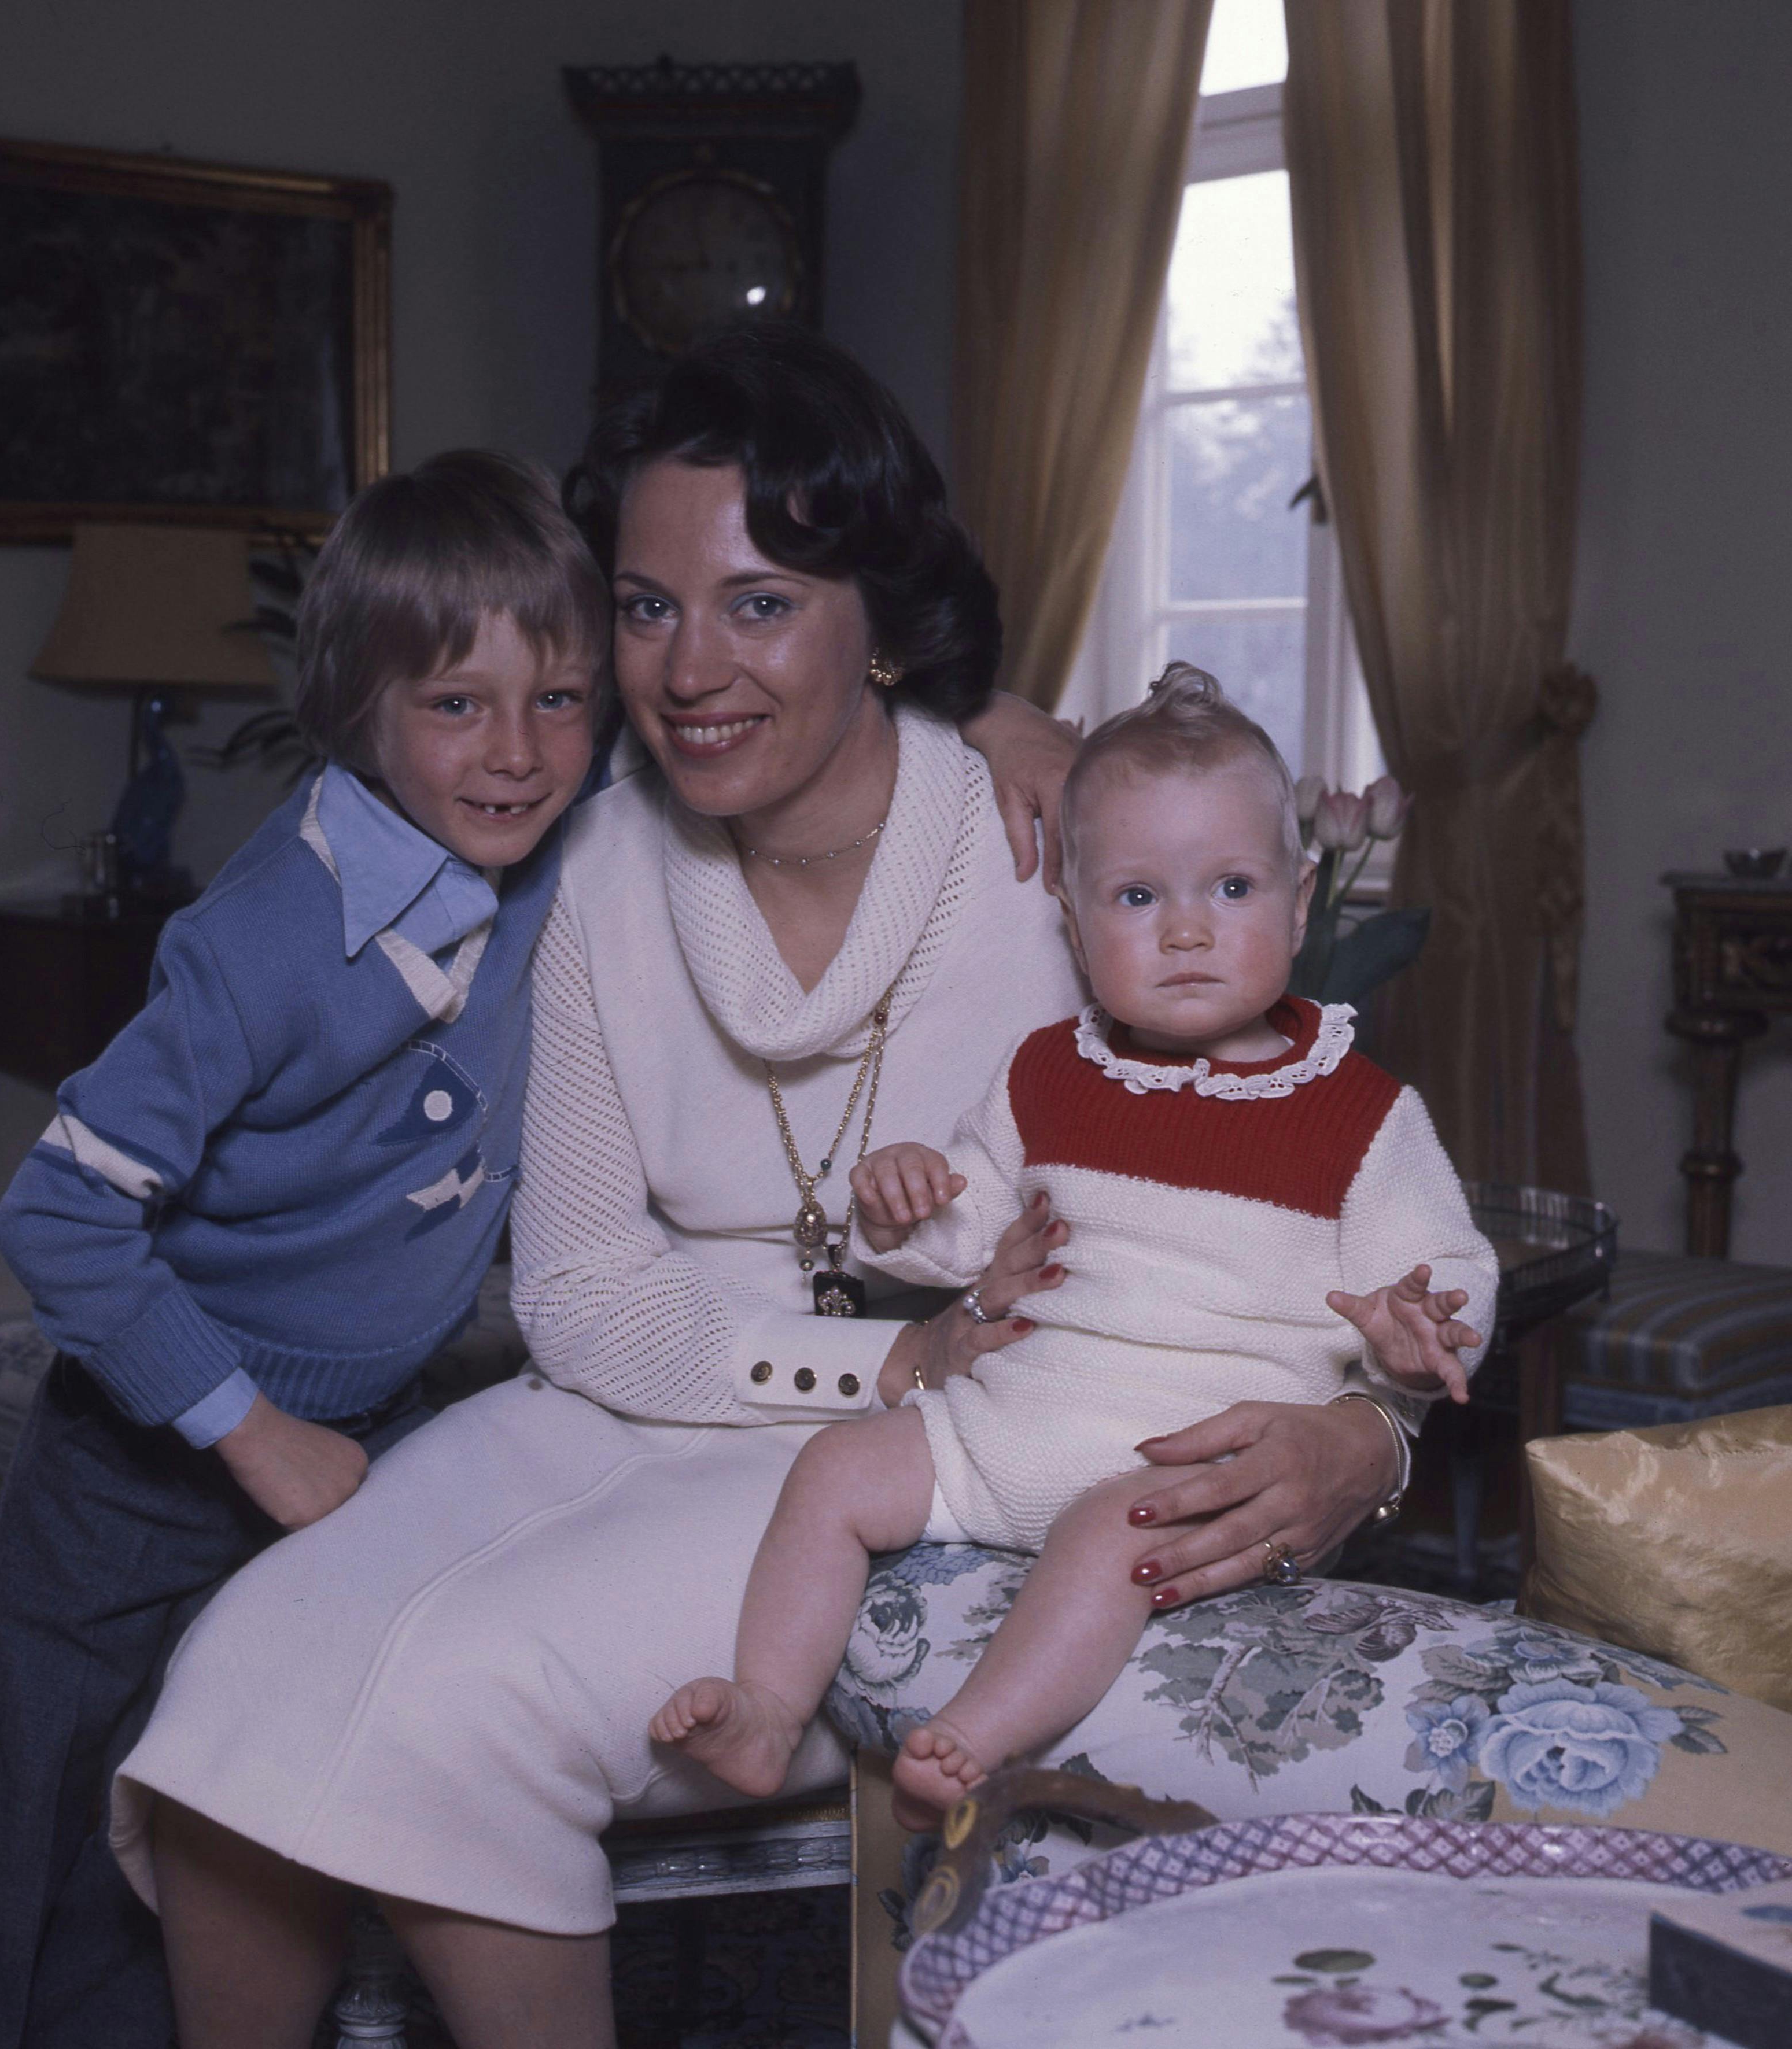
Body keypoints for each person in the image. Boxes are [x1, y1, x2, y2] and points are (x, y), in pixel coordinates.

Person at [114, 327, 1424, 2049]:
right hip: (641, 1387)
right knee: (245, 1662)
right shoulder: (595, 860)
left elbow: (1299, 1190)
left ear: (879, 620)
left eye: (761, 602)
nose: (687, 667)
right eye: (645, 608)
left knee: (455, 1693)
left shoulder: (1059, 856)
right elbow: (581, 1292)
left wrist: (1365, 1440)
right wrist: (871, 1362)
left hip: (943, 1468)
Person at [0, 452, 611, 2049]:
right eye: (459, 704)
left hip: (361, 1426)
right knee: (10, 1803)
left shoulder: (546, 849)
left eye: (562, 700)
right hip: (146, 1456)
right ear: (358, 707)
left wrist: (994, 727)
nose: (520, 754)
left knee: (188, 1798)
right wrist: (247, 1436)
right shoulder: (257, 945)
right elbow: (59, 1214)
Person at [650, 667, 1500, 1828]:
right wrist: (907, 1206)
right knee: (836, 1470)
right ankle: (763, 1706)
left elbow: (1444, 1267)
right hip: (1007, 1423)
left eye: (1233, 886)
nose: (1189, 928)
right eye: (1139, 895)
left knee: (1112, 1534)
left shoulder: (1357, 1111)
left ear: (1301, 904)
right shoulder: (1045, 1069)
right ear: (1073, 912)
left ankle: (979, 1735)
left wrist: (1421, 1324)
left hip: (1184, 1469)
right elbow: (973, 1233)